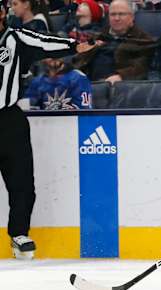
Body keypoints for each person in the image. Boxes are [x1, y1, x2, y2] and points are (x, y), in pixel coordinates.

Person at [0, 0, 95, 259]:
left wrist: (74, 45)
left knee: (21, 181)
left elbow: (45, 41)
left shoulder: (16, 38)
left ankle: (19, 234)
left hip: (8, 119)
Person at [74, 0, 156, 84]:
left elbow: (143, 66)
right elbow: (79, 59)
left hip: (119, 86)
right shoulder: (99, 36)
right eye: (113, 14)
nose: (116, 18)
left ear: (132, 17)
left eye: (121, 14)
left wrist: (121, 76)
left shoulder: (143, 39)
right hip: (88, 83)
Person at [23, 58, 93, 109]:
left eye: (57, 52)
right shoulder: (38, 81)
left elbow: (84, 112)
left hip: (71, 125)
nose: (54, 56)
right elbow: (28, 107)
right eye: (50, 52)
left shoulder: (78, 78)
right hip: (44, 125)